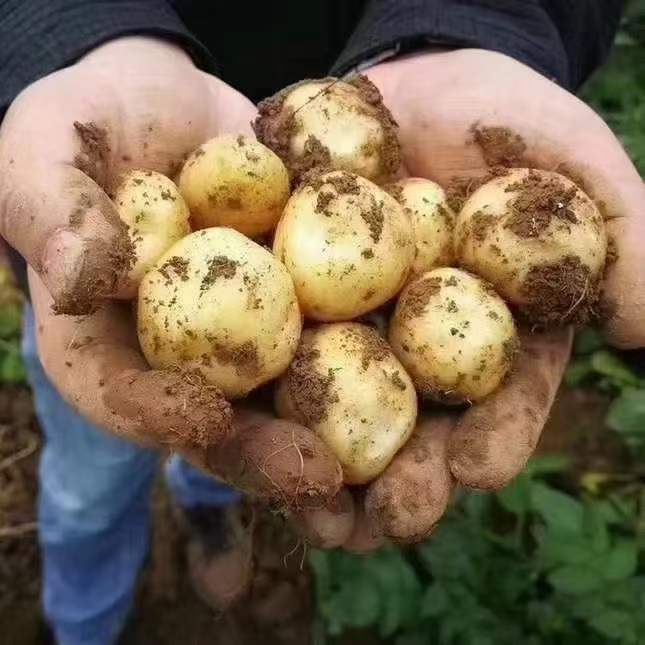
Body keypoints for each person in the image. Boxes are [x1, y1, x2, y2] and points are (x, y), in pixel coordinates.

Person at [1, 1, 643, 643]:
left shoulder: (383, 234)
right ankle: (82, 621)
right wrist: (85, 38)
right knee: (92, 480)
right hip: (120, 249)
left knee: (220, 435)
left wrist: (471, 26)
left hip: (380, 59)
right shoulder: (191, 228)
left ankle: (207, 512)